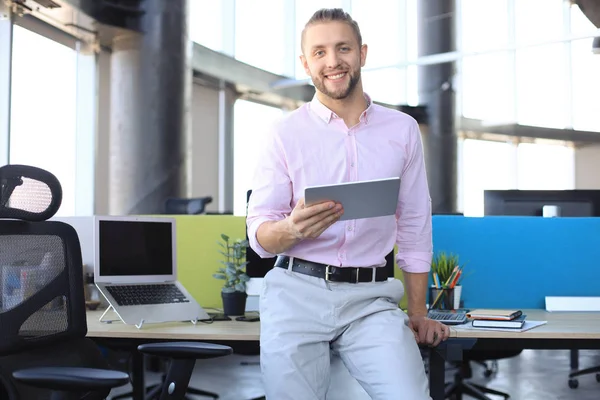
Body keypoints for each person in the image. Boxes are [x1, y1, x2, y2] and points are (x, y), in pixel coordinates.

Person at [246, 8, 449, 400]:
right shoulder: (284, 133)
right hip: (296, 293)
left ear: (362, 53)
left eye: (343, 48)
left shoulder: (401, 129)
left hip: (371, 300)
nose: (333, 61)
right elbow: (259, 235)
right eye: (319, 52)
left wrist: (418, 313)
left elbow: (414, 223)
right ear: (306, 64)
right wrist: (291, 229)